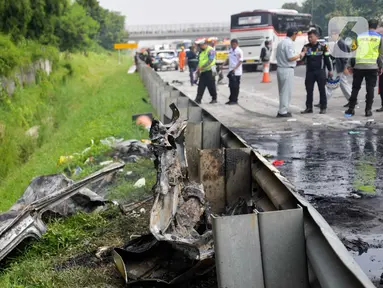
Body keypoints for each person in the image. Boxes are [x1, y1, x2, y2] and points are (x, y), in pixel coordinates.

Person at [345, 19, 383, 117]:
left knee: (355, 88)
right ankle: (368, 110)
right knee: (370, 89)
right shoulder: (379, 37)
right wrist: (381, 66)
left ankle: (351, 109)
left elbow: (352, 51)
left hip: (359, 66)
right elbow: (381, 54)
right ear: (377, 26)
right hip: (372, 67)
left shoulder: (359, 36)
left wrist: (349, 65)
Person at [276, 27, 306, 117]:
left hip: (281, 68)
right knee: (286, 92)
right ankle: (283, 112)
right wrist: (301, 54)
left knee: (282, 91)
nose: (296, 36)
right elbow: (290, 57)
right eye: (296, 34)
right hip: (287, 69)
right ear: (294, 34)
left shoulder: (281, 42)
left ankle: (282, 110)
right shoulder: (288, 43)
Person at [301, 29, 333, 115]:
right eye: (308, 37)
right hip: (310, 72)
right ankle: (309, 107)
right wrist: (303, 53)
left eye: (311, 37)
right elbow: (302, 59)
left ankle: (323, 107)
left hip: (320, 71)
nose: (309, 39)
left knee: (322, 90)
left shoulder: (323, 47)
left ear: (316, 37)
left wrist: (330, 70)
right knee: (309, 90)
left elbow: (327, 59)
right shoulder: (306, 47)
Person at [321, 28, 352, 108]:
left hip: (340, 67)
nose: (332, 36)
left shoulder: (341, 43)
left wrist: (345, 67)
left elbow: (344, 57)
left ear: (338, 34)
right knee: (343, 85)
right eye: (331, 34)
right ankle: (352, 100)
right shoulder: (338, 43)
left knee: (331, 84)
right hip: (338, 66)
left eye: (334, 34)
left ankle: (323, 101)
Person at [194, 39, 217, 104]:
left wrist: (202, 66)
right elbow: (200, 61)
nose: (200, 47)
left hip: (212, 69)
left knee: (211, 85)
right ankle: (198, 99)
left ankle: (214, 98)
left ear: (204, 44)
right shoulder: (202, 52)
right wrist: (198, 67)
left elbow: (210, 60)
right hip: (204, 70)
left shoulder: (211, 50)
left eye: (200, 45)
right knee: (201, 84)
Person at [224, 39, 243, 105]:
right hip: (231, 71)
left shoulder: (239, 51)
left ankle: (235, 100)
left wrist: (235, 69)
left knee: (235, 86)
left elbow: (240, 61)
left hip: (237, 72)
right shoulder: (231, 50)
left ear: (237, 44)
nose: (233, 46)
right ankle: (231, 99)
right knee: (231, 86)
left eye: (234, 44)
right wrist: (223, 65)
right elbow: (228, 59)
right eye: (232, 44)